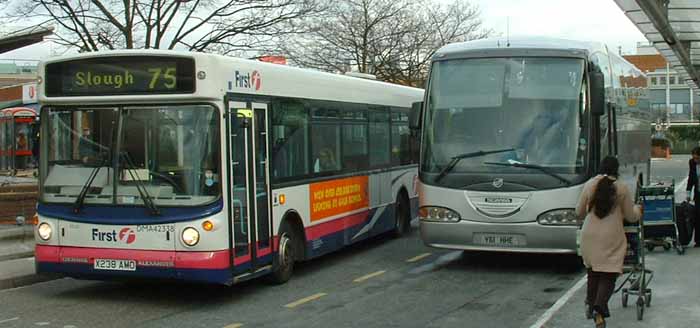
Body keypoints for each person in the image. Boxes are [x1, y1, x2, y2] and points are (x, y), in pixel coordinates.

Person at [576, 156, 642, 328]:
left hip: (589, 235)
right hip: (611, 236)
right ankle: (599, 308)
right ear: (616, 169)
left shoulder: (590, 184)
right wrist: (639, 210)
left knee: (593, 271)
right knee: (609, 273)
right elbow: (630, 215)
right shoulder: (621, 187)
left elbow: (579, 212)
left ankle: (591, 305)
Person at [685, 146, 700, 246]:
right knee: (697, 216)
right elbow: (691, 177)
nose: (696, 160)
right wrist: (688, 193)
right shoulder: (692, 163)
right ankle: (698, 241)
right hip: (698, 193)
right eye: (694, 158)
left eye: (698, 158)